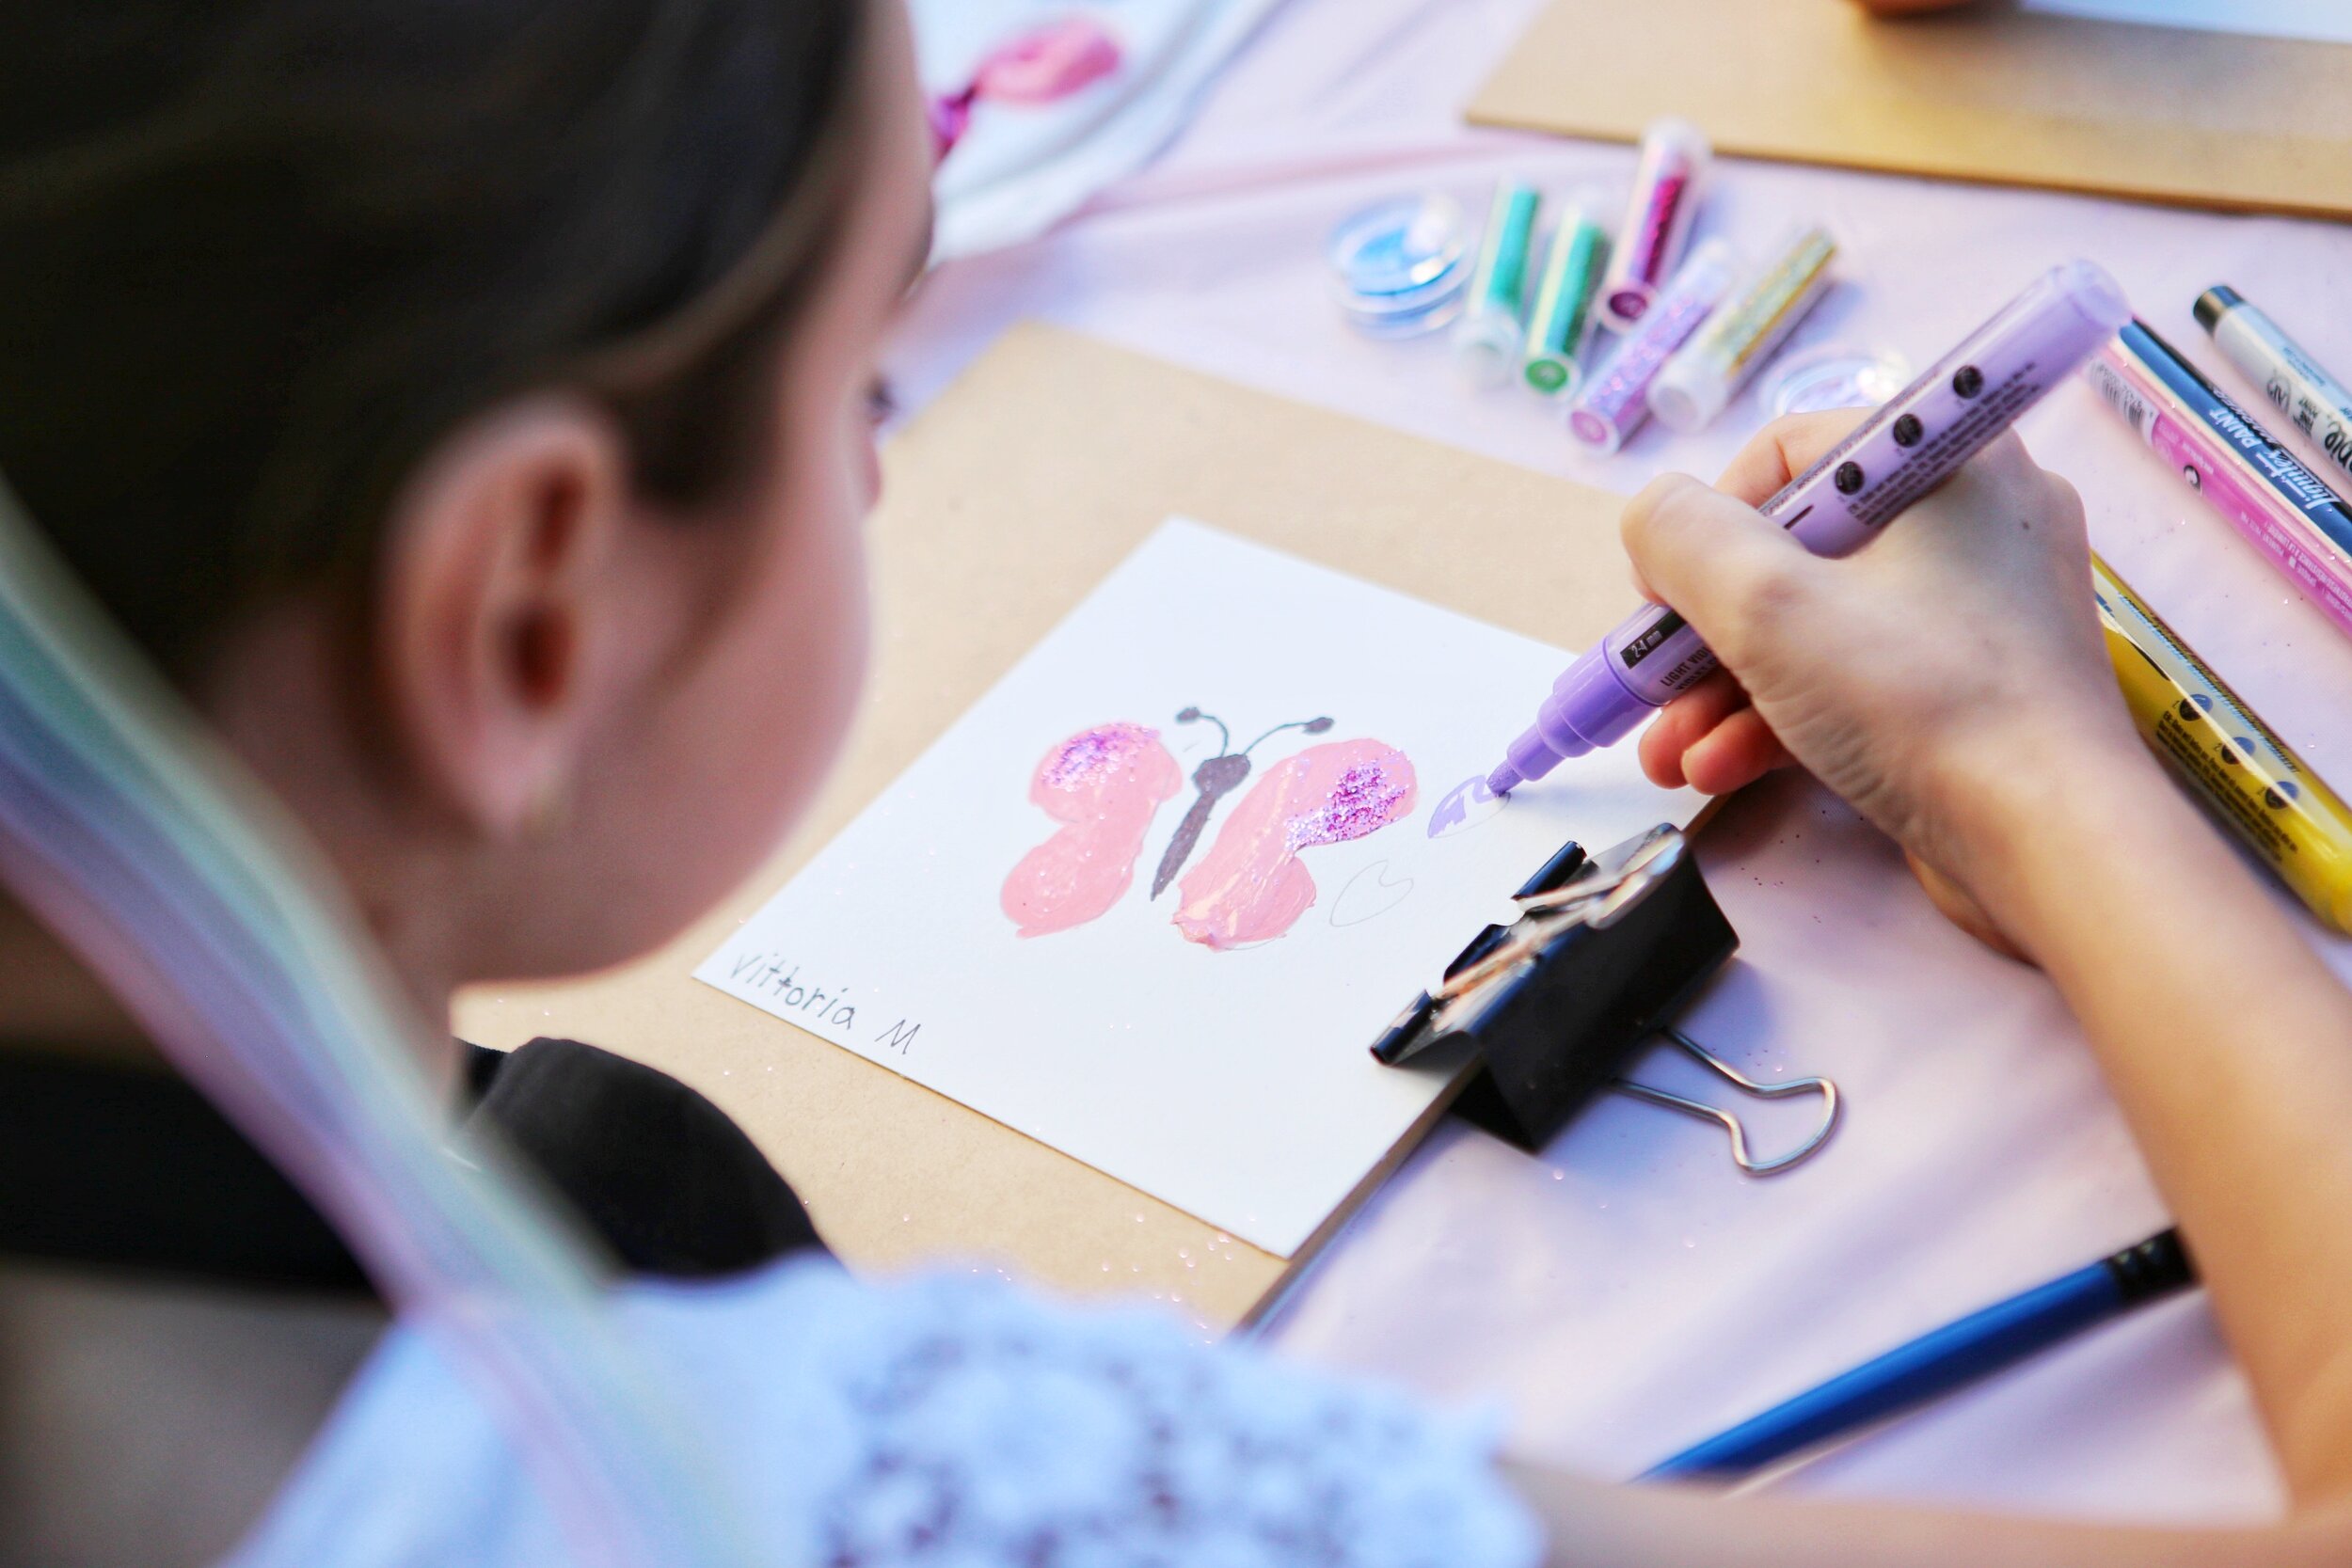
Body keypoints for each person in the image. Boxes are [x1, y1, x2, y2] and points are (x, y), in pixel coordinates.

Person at [4, 2, 2352, 1565]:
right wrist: (2034, 765)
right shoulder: (756, 1488)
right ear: (525, 613)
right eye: (866, 396)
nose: (893, 468)